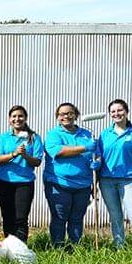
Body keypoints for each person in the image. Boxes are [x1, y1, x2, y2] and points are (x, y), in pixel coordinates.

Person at [43, 102, 98, 250]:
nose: (66, 116)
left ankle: (76, 248)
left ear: (76, 115)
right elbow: (59, 152)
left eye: (70, 113)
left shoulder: (87, 134)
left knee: (77, 219)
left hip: (83, 185)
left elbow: (97, 153)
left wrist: (97, 162)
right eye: (62, 114)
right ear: (57, 117)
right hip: (59, 183)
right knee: (59, 218)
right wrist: (84, 148)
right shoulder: (53, 134)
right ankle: (58, 249)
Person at [97, 99, 132, 249]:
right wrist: (96, 162)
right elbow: (99, 155)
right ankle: (119, 247)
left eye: (120, 110)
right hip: (107, 180)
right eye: (113, 111)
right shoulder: (105, 134)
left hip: (129, 180)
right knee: (115, 217)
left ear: (126, 112)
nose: (116, 114)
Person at [0, 105, 43, 242]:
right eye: (14, 116)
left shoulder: (34, 138)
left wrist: (25, 155)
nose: (17, 119)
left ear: (25, 118)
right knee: (7, 216)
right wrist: (14, 154)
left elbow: (37, 161)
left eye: (20, 116)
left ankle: (20, 249)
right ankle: (8, 247)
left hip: (24, 183)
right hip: (4, 182)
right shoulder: (3, 138)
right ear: (9, 119)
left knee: (21, 218)